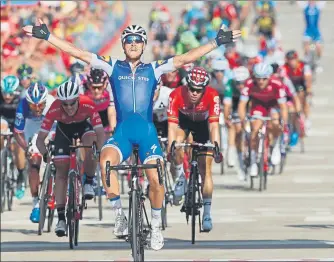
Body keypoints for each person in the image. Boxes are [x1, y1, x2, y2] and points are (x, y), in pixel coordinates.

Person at [23, 19, 240, 250]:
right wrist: (48, 37)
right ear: (124, 45)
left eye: (138, 40)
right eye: (129, 40)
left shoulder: (154, 68)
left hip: (147, 134)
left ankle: (156, 226)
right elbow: (79, 53)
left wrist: (217, 42)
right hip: (123, 134)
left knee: (156, 180)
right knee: (105, 161)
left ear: (144, 45)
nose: (133, 44)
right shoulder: (113, 66)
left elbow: (185, 58)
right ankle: (119, 215)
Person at [36, 80, 105, 237]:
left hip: (83, 128)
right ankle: (61, 218)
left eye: (72, 103)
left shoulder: (88, 103)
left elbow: (100, 132)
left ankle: (88, 181)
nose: (68, 107)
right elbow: (40, 139)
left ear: (78, 99)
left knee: (91, 143)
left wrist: (98, 151)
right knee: (61, 171)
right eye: (64, 104)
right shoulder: (54, 108)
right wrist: (45, 154)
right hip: (63, 132)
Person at [167, 66, 223, 232]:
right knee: (177, 143)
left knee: (206, 168)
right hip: (183, 124)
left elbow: (214, 126)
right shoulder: (175, 94)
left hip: (203, 126)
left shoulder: (213, 96)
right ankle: (180, 178)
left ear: (204, 89)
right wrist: (172, 148)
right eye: (191, 88)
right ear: (186, 86)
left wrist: (216, 146)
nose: (194, 93)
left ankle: (207, 213)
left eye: (198, 90)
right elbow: (171, 126)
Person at [237, 63, 292, 176]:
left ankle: (275, 145)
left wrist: (284, 122)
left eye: (264, 79)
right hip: (258, 106)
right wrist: (243, 120)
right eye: (258, 78)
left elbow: (283, 107)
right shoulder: (249, 84)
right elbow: (242, 105)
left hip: (273, 105)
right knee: (254, 129)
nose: (261, 81)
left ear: (269, 77)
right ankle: (253, 161)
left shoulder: (277, 84)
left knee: (276, 122)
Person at [14, 82, 55, 222]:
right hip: (31, 127)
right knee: (34, 164)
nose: (37, 108)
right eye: (33, 105)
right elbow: (18, 132)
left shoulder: (52, 103)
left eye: (40, 105)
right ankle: (36, 203)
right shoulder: (23, 105)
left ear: (45, 100)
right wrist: (26, 149)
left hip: (50, 125)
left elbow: (62, 126)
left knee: (58, 155)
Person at [0, 75, 27, 199]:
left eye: (10, 94)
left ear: (16, 92)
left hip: (18, 121)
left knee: (18, 145)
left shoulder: (22, 98)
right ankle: (2, 154)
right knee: (1, 128)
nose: (7, 97)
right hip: (4, 120)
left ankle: (21, 175)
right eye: (5, 93)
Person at [223, 66, 250, 180]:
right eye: (238, 83)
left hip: (250, 106)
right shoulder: (229, 84)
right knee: (236, 128)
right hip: (235, 106)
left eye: (243, 83)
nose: (240, 86)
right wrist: (227, 118)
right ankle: (235, 152)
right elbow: (227, 105)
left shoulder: (251, 84)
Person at [84, 68, 116, 134]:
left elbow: (112, 111)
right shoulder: (81, 86)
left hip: (105, 112)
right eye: (93, 87)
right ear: (88, 84)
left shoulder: (110, 86)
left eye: (99, 87)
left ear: (105, 85)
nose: (96, 91)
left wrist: (113, 130)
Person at [298, 0, 325, 71]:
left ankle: (318, 62)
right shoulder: (305, 6)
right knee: (306, 46)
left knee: (319, 47)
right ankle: (307, 62)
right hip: (308, 31)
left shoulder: (318, 6)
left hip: (316, 32)